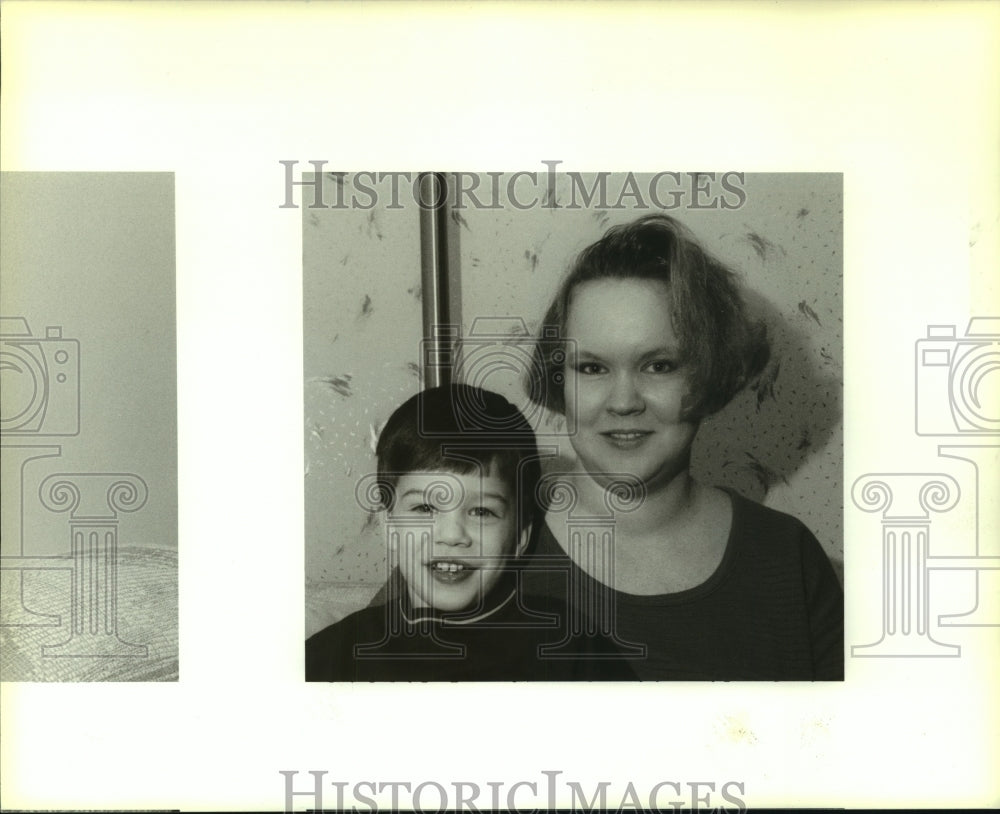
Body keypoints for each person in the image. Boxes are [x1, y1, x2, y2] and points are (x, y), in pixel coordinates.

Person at [520, 214, 844, 680]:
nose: (624, 402)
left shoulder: (786, 559)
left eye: (659, 365)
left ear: (709, 374)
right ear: (559, 379)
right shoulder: (483, 537)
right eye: (591, 368)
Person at [306, 383, 636, 681]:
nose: (452, 535)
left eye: (482, 512)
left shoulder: (569, 647)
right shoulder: (336, 656)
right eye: (424, 508)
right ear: (389, 527)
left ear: (520, 537)